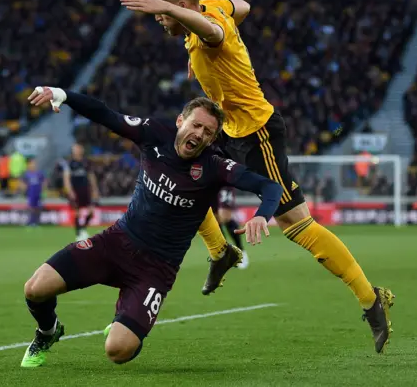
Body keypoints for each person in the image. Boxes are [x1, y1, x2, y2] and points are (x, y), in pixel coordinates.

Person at [120, 0, 394, 353]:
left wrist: (189, 28)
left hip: (256, 132)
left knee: (296, 225)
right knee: (182, 175)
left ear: (180, 6)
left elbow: (214, 31)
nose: (160, 21)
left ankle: (370, 299)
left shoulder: (206, 24)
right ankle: (222, 252)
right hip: (229, 129)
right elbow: (243, 7)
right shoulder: (210, 9)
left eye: (162, 14)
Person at [20, 86, 282, 367]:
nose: (199, 134)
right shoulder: (154, 133)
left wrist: (261, 215)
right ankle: (48, 331)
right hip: (116, 243)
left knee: (118, 351)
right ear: (181, 121)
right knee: (35, 288)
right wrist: (64, 95)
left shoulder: (215, 166)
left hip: (156, 270)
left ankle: (126, 319)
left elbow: (270, 187)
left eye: (208, 132)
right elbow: (105, 114)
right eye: (196, 125)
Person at [62, 143, 100, 240]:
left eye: (79, 149)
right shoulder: (69, 163)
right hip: (75, 190)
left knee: (91, 211)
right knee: (77, 212)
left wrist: (95, 189)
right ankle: (78, 234)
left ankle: (83, 229)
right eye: (76, 149)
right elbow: (66, 178)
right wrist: (70, 191)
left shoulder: (86, 162)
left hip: (86, 190)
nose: (78, 150)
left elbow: (91, 176)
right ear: (73, 151)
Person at [216, 187, 248, 268]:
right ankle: (224, 253)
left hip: (224, 183)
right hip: (208, 183)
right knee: (215, 220)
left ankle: (240, 252)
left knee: (225, 217)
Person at [22, 158, 46, 227]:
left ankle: (37, 221)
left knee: (38, 207)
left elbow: (44, 181)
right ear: (29, 165)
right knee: (31, 207)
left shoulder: (39, 173)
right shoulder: (27, 174)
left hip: (38, 193)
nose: (33, 165)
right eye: (32, 163)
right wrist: (24, 189)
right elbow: (23, 182)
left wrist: (43, 189)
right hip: (31, 193)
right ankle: (31, 221)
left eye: (34, 164)